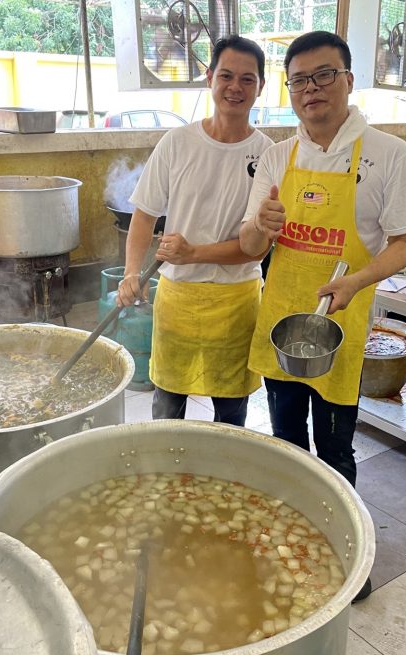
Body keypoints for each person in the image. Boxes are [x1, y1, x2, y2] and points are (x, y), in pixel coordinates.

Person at [239, 31, 406, 599]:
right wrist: (259, 228)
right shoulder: (278, 155)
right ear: (288, 88)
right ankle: (293, 534)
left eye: (324, 75)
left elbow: (405, 243)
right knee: (288, 439)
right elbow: (249, 247)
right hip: (282, 323)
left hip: (342, 324)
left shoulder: (388, 154)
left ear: (347, 79)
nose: (311, 89)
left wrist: (356, 281)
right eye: (299, 80)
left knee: (336, 447)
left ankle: (347, 554)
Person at [117, 35, 272, 426]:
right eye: (227, 76)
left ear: (261, 87)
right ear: (209, 78)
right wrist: (132, 272)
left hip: (236, 300)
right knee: (167, 408)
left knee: (231, 412)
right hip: (177, 298)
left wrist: (193, 253)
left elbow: (256, 247)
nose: (235, 87)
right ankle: (164, 479)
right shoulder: (178, 142)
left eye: (247, 79)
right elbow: (144, 215)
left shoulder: (269, 155)